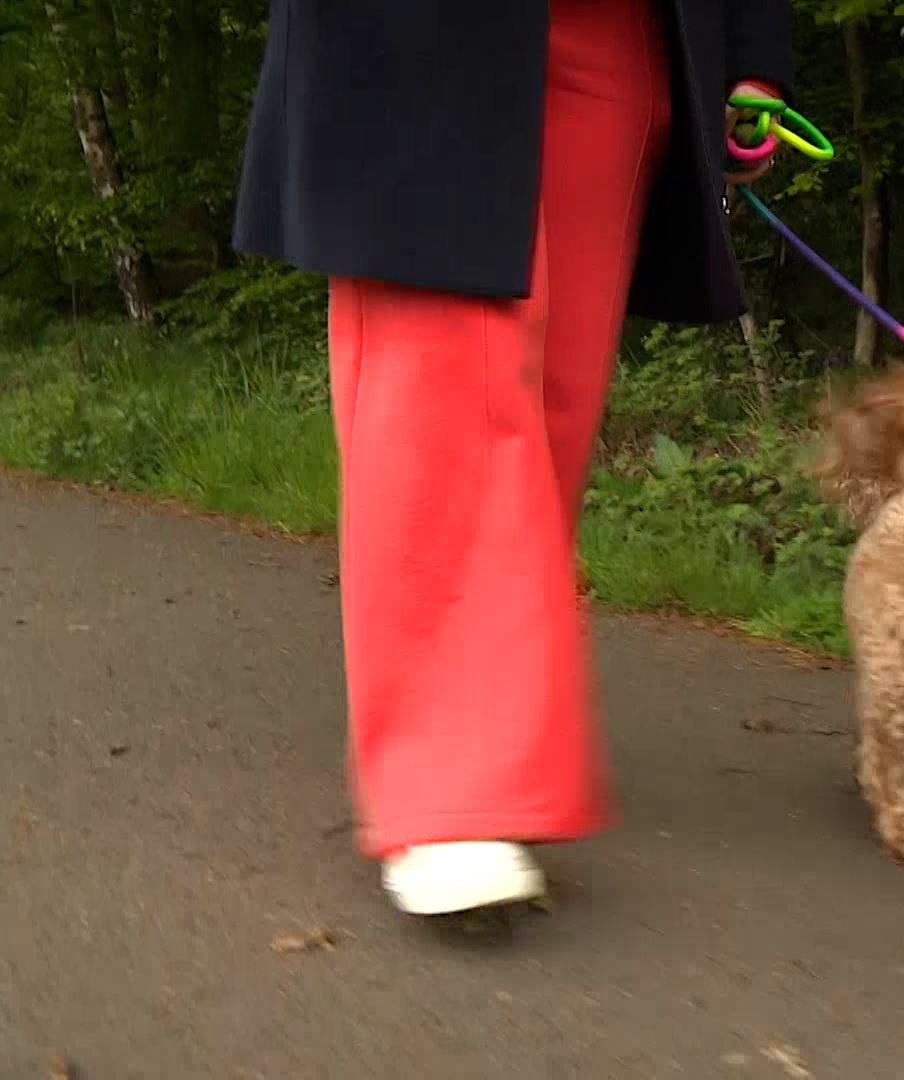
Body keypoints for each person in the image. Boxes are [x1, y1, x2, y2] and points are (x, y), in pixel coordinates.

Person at [230, 0, 794, 916]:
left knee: (553, 406)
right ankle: (450, 788)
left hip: (622, 35)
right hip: (412, 35)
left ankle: (490, 735)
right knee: (444, 369)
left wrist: (751, 50)